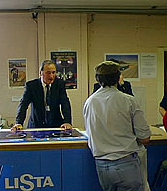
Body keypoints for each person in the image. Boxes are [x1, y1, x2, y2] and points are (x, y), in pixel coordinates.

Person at [83, 61, 151, 191]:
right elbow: (145, 137)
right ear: (118, 77)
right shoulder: (128, 100)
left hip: (102, 165)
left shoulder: (89, 102)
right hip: (126, 163)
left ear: (97, 79)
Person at [12, 60, 72, 131]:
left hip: (55, 125)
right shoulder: (31, 86)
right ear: (41, 73)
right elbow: (23, 104)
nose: (51, 76)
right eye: (48, 73)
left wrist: (67, 122)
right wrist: (19, 122)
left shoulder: (59, 84)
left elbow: (65, 103)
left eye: (53, 72)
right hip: (36, 126)